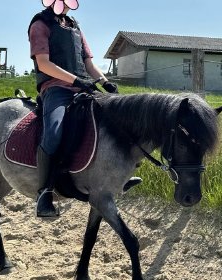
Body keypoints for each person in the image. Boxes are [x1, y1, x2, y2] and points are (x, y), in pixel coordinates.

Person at [29, 0, 140, 218]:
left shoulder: (74, 26)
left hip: (82, 87)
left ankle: (120, 175)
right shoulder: (39, 24)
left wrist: (104, 81)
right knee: (53, 131)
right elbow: (43, 63)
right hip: (55, 89)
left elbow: (88, 62)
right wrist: (76, 81)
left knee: (117, 119)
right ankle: (45, 193)